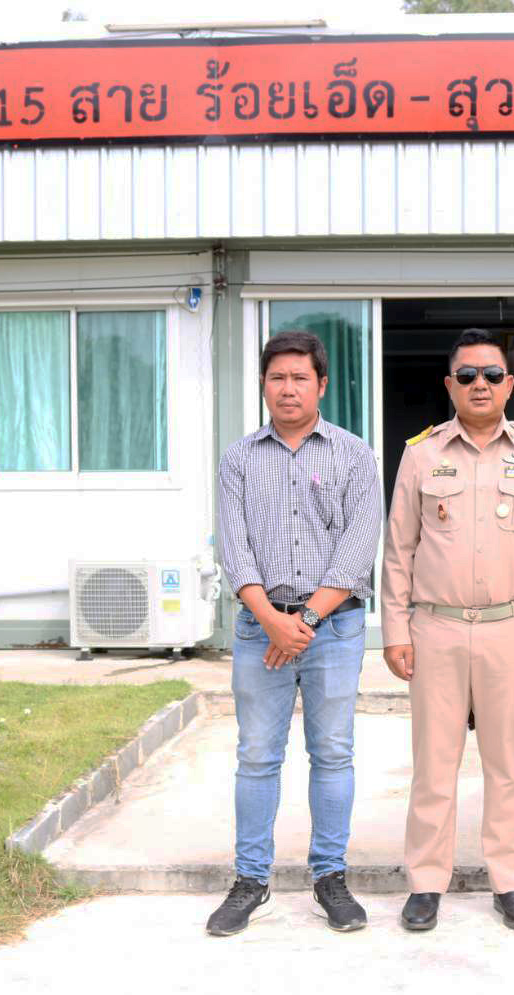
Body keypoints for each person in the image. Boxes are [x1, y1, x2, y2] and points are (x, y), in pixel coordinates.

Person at [381, 328, 514, 932]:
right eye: (466, 376)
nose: (480, 385)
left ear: (509, 384)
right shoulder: (422, 454)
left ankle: (510, 882)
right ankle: (426, 883)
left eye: (491, 375)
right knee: (433, 766)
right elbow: (398, 549)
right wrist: (394, 629)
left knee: (507, 764)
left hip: (509, 629)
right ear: (450, 385)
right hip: (435, 629)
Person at [206, 329, 383, 936]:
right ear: (263, 385)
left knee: (332, 753)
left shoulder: (354, 455)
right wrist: (271, 621)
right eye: (277, 377)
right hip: (260, 628)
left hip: (333, 629)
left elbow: (358, 547)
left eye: (300, 378)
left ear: (321, 385)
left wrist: (302, 623)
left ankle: (330, 877)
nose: (288, 388)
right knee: (257, 755)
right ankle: (250, 880)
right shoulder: (238, 459)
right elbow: (235, 549)